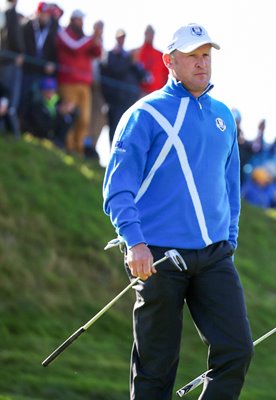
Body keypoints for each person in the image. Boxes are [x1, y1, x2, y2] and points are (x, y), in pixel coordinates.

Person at [102, 23, 253, 399]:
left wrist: (229, 237)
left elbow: (230, 186)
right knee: (156, 368)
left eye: (206, 56)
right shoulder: (145, 114)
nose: (202, 64)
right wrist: (134, 243)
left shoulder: (223, 116)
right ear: (169, 61)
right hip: (158, 258)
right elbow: (117, 189)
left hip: (214, 256)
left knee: (236, 350)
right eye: (192, 56)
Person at [55, 9, 102, 155]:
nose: (81, 23)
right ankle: (67, 147)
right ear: (73, 19)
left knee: (84, 120)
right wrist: (92, 37)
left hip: (85, 84)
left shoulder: (84, 39)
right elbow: (74, 47)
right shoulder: (64, 33)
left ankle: (78, 149)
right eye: (79, 19)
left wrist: (97, 38)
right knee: (69, 116)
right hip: (68, 82)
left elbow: (97, 53)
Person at [100, 28, 146, 146]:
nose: (122, 40)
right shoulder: (112, 54)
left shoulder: (128, 57)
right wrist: (130, 59)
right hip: (115, 99)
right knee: (115, 127)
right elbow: (117, 70)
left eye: (123, 37)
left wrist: (134, 62)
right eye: (120, 37)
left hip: (129, 100)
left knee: (128, 129)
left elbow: (144, 77)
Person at [21, 75, 77, 147]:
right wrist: (59, 113)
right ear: (41, 91)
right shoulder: (36, 104)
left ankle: (60, 144)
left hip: (55, 137)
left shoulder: (59, 101)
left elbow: (75, 113)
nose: (50, 93)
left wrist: (70, 110)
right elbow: (44, 126)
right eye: (47, 90)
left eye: (52, 90)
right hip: (38, 135)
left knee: (67, 118)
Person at [0, 0, 25, 137]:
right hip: (9, 60)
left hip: (6, 60)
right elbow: (13, 35)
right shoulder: (10, 12)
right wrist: (19, 52)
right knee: (9, 96)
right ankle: (7, 129)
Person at [132, 24, 169, 95]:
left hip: (159, 94)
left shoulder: (160, 54)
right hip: (141, 94)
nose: (150, 36)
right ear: (145, 34)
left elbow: (167, 74)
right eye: (148, 33)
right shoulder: (137, 53)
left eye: (152, 34)